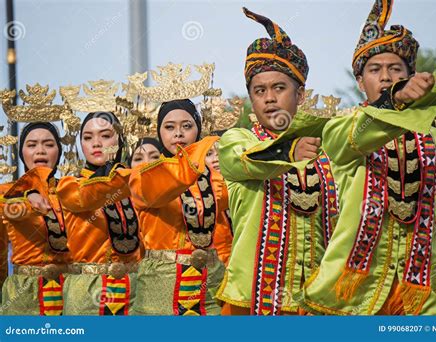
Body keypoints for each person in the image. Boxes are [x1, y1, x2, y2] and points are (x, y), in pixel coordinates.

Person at [297, 0, 436, 315]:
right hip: (354, 290)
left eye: (395, 69)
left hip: (420, 291)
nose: (385, 77)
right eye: (374, 69)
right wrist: (394, 101)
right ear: (359, 81)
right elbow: (351, 140)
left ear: (410, 74)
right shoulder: (342, 127)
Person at [216, 8, 337, 315]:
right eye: (259, 91)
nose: (269, 98)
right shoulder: (238, 141)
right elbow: (246, 161)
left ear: (300, 94)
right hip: (251, 302)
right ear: (251, 100)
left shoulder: (327, 150)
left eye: (279, 88)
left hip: (315, 301)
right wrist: (289, 153)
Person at [129, 99, 226, 315]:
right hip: (160, 285)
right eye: (169, 127)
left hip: (210, 285)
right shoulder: (145, 175)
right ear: (159, 132)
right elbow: (162, 188)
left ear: (199, 129)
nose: (178, 134)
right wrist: (195, 156)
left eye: (187, 126)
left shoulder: (215, 179)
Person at [57, 112, 142, 315]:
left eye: (105, 136)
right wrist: (117, 174)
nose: (96, 143)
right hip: (87, 294)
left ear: (119, 140)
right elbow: (87, 196)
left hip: (133, 293)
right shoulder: (70, 185)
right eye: (87, 137)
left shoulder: (134, 185)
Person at [0, 122, 70, 315]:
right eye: (32, 145)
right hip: (23, 294)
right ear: (21, 152)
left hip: (71, 290)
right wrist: (28, 194)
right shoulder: (6, 192)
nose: (40, 150)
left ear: (59, 151)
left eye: (48, 144)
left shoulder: (71, 190)